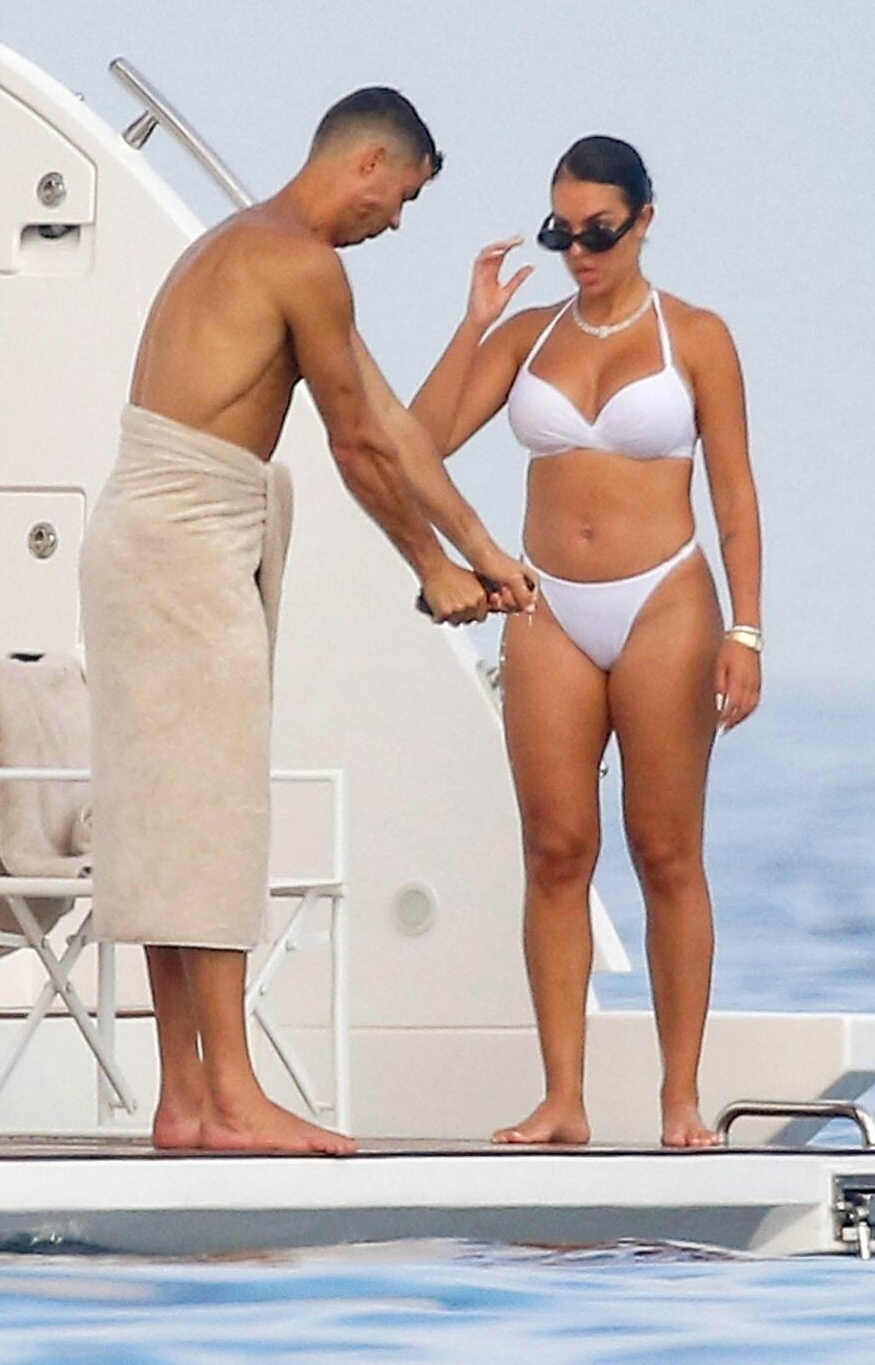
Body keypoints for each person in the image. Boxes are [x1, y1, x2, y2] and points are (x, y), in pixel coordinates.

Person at [78, 87, 534, 1158]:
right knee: (206, 814)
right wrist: (430, 567)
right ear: (367, 163)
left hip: (154, 537)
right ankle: (233, 1097)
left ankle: (188, 1100)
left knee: (175, 813)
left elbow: (392, 424)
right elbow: (354, 445)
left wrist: (480, 553)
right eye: (403, 197)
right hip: (181, 540)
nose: (397, 223)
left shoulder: (253, 246)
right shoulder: (300, 261)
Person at [409, 135, 763, 1148]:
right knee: (557, 850)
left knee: (665, 850)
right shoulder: (528, 337)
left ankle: (679, 1101)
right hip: (548, 605)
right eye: (560, 233)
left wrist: (746, 629)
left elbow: (734, 496)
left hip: (665, 600)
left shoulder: (696, 336)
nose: (578, 253)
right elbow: (417, 442)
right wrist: (473, 327)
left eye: (597, 232)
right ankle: (562, 1099)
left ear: (643, 220)